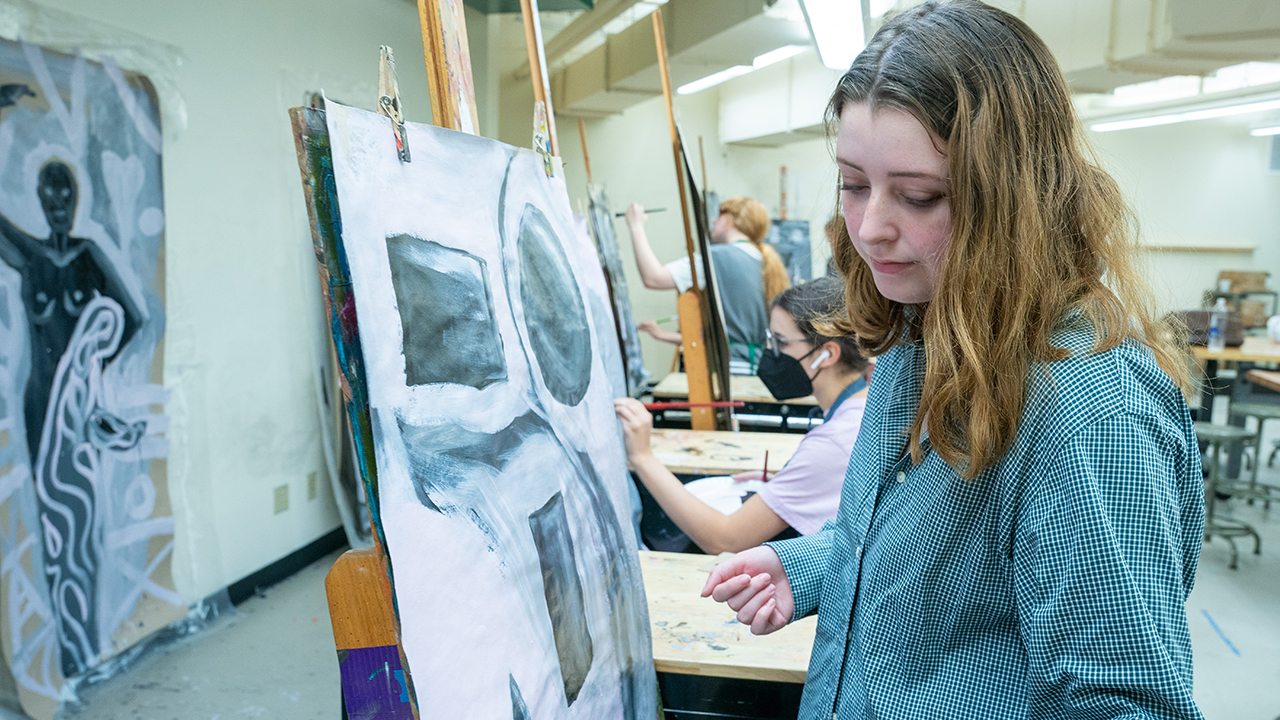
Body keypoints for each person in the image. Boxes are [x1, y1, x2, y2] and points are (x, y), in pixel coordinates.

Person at [701, 3, 1205, 719]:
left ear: (1014, 198)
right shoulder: (922, 326)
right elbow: (911, 552)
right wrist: (806, 566)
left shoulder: (1090, 413)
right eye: (852, 184)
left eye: (920, 195)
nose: (872, 227)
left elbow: (1127, 706)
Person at [615, 277, 869, 554]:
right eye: (771, 340)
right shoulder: (863, 405)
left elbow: (726, 540)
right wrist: (787, 485)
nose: (771, 353)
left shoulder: (834, 443)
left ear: (827, 354)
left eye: (781, 343)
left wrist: (642, 457)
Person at [626, 196, 789, 372]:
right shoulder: (765, 262)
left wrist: (636, 227)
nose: (713, 221)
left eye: (718, 217)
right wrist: (663, 335)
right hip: (756, 368)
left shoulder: (716, 258)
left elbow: (654, 278)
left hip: (725, 370)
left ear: (730, 220)